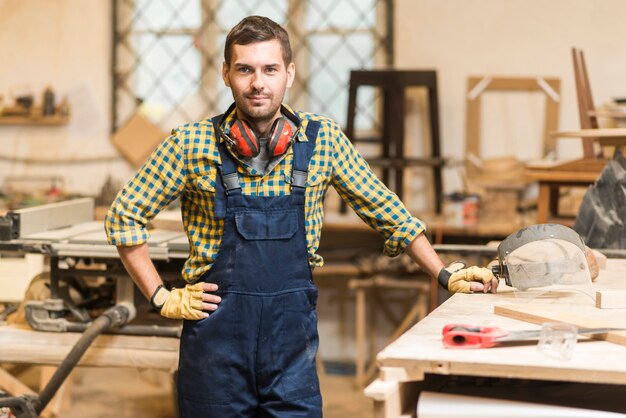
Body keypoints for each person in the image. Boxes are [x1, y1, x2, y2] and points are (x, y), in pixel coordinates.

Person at [105, 15, 498, 417]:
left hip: (288, 350)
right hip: (214, 352)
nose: (258, 82)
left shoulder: (322, 140)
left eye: (270, 69)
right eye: (245, 69)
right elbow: (124, 216)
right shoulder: (190, 144)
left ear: (289, 74)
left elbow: (391, 214)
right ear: (226, 73)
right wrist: (161, 296)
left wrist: (444, 273)